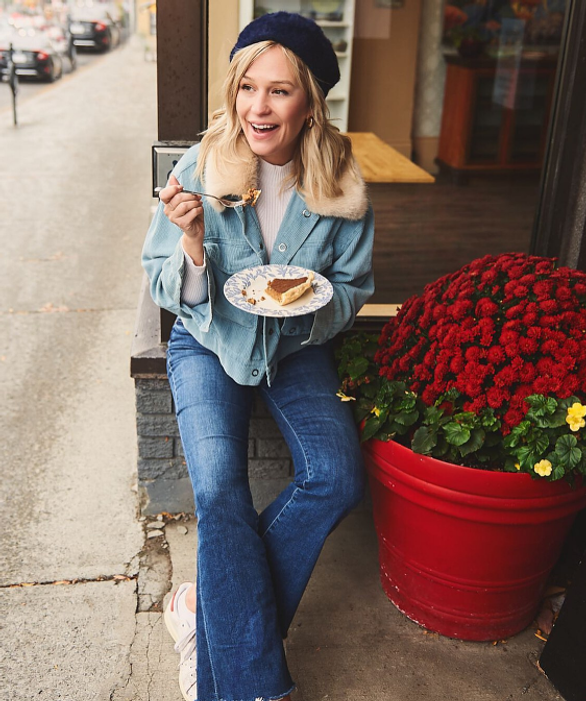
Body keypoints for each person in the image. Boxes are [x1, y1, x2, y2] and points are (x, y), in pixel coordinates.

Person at [140, 12, 374, 701]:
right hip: (208, 340)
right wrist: (189, 245)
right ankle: (250, 688)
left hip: (295, 346)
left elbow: (355, 285)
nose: (257, 107)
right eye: (247, 88)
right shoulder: (202, 164)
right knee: (218, 493)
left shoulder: (340, 177)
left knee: (336, 477)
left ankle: (201, 617)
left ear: (308, 102)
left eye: (277, 91)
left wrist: (307, 308)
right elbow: (159, 280)